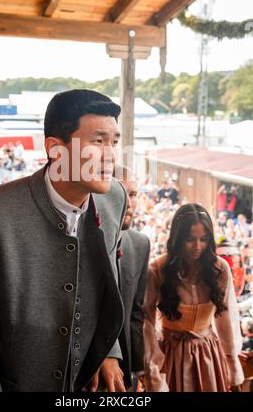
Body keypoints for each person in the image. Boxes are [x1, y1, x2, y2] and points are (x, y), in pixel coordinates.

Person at [0, 89, 127, 392]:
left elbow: (106, 283)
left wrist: (108, 351)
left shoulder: (113, 198)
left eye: (114, 142)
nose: (110, 156)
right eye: (98, 141)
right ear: (55, 149)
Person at [143, 203, 244, 392]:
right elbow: (146, 323)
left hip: (209, 354)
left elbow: (225, 318)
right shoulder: (157, 270)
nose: (198, 246)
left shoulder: (219, 268)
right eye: (190, 239)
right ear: (177, 238)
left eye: (204, 239)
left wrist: (232, 364)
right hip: (170, 354)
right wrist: (153, 371)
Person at [114, 166, 150, 390]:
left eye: (134, 194)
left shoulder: (140, 244)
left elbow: (136, 313)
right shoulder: (78, 241)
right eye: (121, 192)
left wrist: (138, 369)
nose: (129, 201)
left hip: (125, 372)